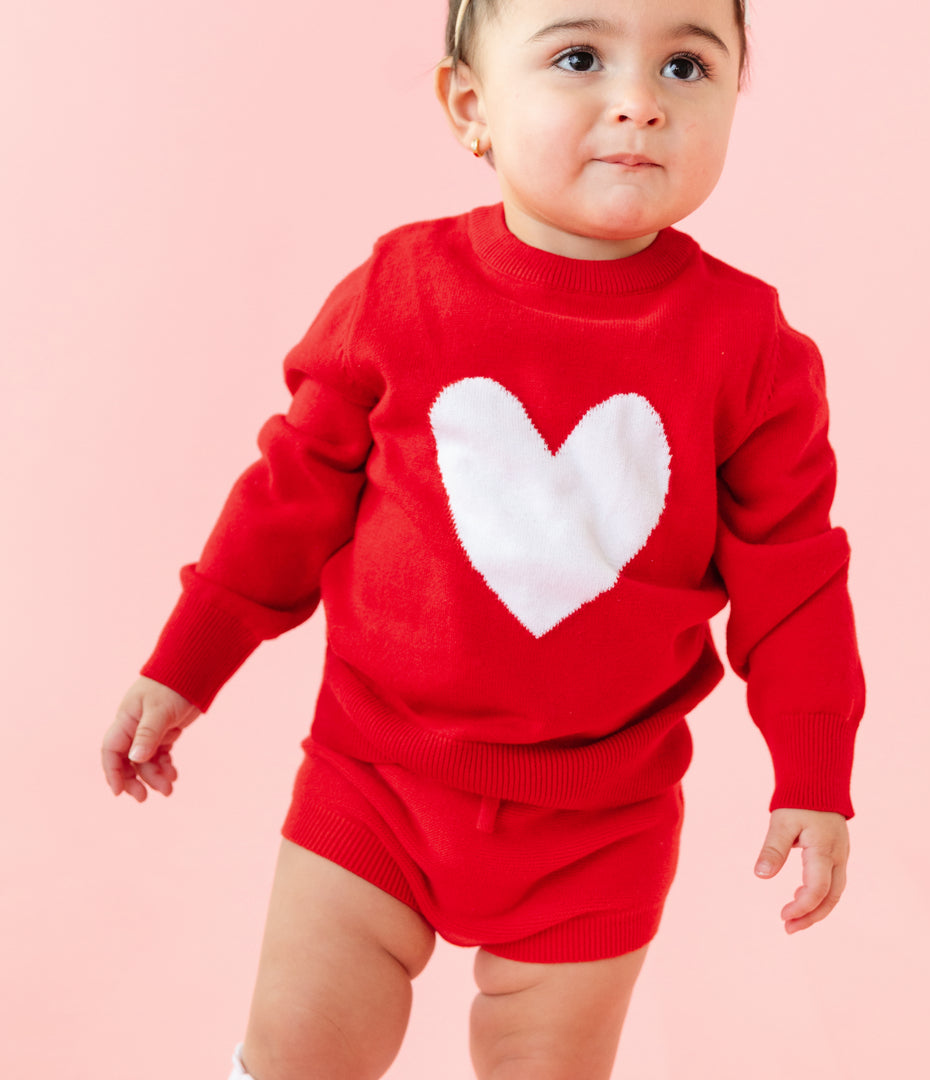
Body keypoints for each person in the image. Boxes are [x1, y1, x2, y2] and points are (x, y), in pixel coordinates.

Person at [100, 0, 867, 1077]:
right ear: (472, 106)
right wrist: (186, 663)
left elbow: (796, 583)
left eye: (688, 66)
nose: (640, 102)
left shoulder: (750, 348)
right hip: (376, 774)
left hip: (602, 818)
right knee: (300, 1050)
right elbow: (287, 500)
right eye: (580, 56)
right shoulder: (398, 291)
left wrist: (813, 774)